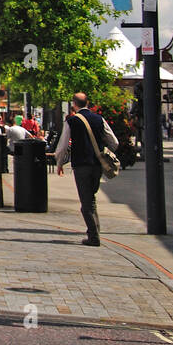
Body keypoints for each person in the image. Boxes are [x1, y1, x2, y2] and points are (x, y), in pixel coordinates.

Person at [54, 92, 120, 247]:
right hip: (97, 165)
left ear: (74, 104)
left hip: (81, 164)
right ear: (88, 103)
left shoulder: (71, 121)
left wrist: (59, 163)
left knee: (86, 201)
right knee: (91, 198)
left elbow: (63, 146)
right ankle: (95, 231)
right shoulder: (99, 119)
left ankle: (93, 236)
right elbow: (114, 142)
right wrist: (105, 151)